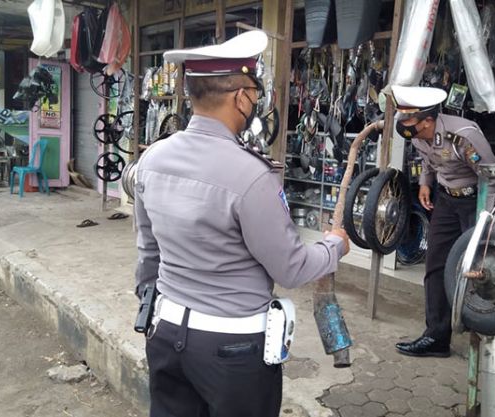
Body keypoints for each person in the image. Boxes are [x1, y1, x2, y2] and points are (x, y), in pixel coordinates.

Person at [134, 30, 350, 417]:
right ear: (240, 96)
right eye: (254, 92)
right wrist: (335, 246)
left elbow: (148, 254)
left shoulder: (152, 159)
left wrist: (156, 303)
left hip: (164, 334)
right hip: (232, 350)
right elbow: (291, 267)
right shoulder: (252, 176)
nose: (255, 101)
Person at [391, 85, 495, 357]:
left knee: (479, 267)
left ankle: (488, 338)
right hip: (446, 201)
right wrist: (425, 183)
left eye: (408, 121)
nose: (403, 126)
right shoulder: (418, 135)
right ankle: (437, 337)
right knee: (436, 265)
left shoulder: (463, 137)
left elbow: (493, 178)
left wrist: (485, 221)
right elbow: (428, 161)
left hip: (475, 202)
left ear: (428, 120)